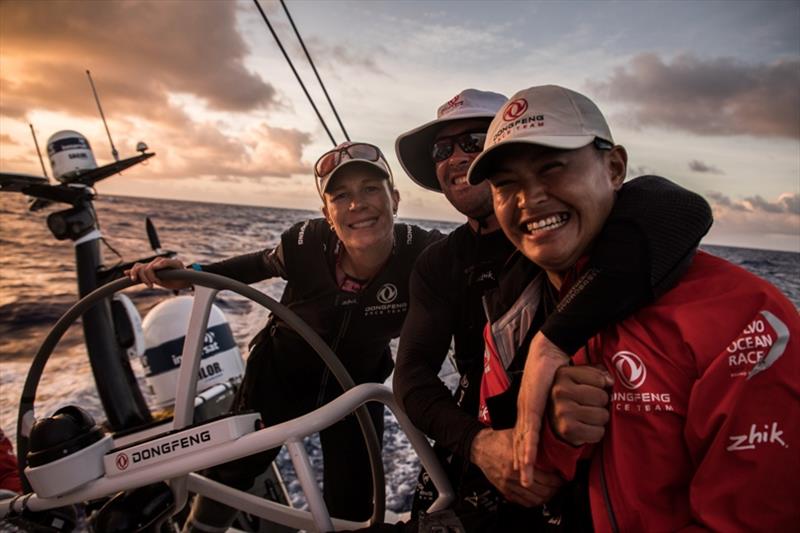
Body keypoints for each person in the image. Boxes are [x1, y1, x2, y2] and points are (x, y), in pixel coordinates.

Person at [467, 84, 800, 530]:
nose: (530, 198)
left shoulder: (746, 319)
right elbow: (524, 480)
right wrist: (555, 431)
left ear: (614, 168)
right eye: (507, 185)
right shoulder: (507, 319)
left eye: (552, 168)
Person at [393, 89, 713, 530]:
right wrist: (481, 445)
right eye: (442, 149)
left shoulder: (563, 233)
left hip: (581, 448)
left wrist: (551, 342)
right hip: (475, 442)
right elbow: (411, 373)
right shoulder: (438, 262)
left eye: (474, 141)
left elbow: (677, 208)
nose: (457, 157)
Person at [127, 142, 442, 529]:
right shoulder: (302, 245)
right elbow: (245, 268)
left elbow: (474, 262)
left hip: (357, 390)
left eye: (370, 189)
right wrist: (186, 272)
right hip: (277, 379)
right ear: (327, 214)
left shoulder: (424, 253)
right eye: (340, 195)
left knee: (355, 501)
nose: (357, 204)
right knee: (234, 472)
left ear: (394, 199)